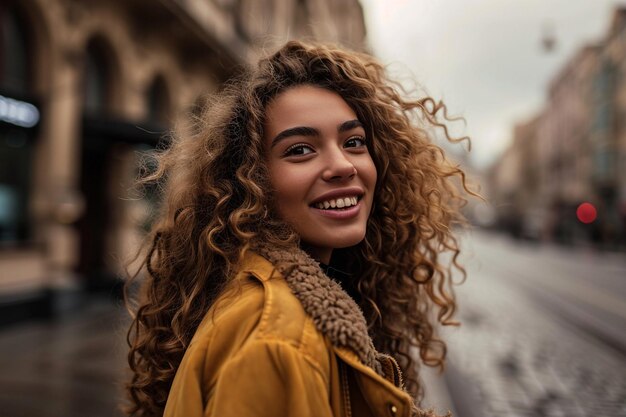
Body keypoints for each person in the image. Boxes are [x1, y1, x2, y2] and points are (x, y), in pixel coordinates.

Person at [124, 40, 471, 417]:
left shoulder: (283, 302)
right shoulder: (278, 342)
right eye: (300, 149)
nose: (343, 165)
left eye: (354, 142)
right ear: (251, 180)